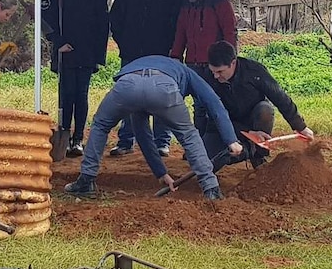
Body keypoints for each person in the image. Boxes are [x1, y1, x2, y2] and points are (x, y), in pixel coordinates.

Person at [64, 55, 243, 200]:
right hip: (163, 88)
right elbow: (214, 103)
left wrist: (161, 173)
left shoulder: (141, 62)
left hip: (127, 85)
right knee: (188, 135)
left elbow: (142, 134)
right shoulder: (187, 72)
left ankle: (86, 180)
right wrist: (231, 140)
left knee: (101, 125)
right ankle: (211, 189)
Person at [108, 0, 182, 158]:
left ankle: (162, 141)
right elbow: (116, 18)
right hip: (132, 54)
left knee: (161, 96)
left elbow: (180, 23)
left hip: (162, 55)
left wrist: (172, 49)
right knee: (129, 95)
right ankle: (126, 140)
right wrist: (124, 42)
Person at [41, 0, 110, 158]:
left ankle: (78, 138)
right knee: (66, 94)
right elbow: (45, 17)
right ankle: (64, 133)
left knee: (82, 94)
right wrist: (57, 42)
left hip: (87, 52)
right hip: (65, 51)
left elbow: (102, 24)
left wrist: (99, 55)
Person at [204, 40, 314, 169]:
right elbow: (213, 117)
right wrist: (247, 132)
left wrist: (300, 126)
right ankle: (247, 149)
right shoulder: (208, 78)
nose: (216, 76)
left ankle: (258, 155)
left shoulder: (254, 71)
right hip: (224, 125)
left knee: (265, 109)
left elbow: (279, 97)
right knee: (209, 160)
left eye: (220, 72)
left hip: (253, 117)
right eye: (213, 71)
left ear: (233, 63)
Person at [170, 0, 237, 134]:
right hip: (193, 62)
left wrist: (229, 58)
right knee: (199, 105)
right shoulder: (185, 1)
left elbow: (230, 30)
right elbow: (181, 31)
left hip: (214, 63)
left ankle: (219, 140)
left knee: (215, 102)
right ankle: (200, 143)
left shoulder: (219, 1)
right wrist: (176, 55)